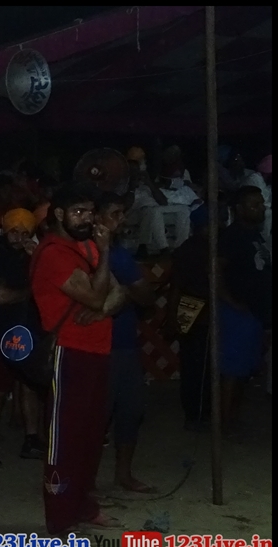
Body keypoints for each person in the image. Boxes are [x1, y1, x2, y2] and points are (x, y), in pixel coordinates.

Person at [31, 182, 125, 534]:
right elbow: (98, 295)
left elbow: (118, 293)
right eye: (78, 212)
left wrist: (102, 310)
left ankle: (83, 506)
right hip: (68, 351)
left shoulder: (84, 246)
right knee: (65, 439)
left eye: (89, 212)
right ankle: (59, 518)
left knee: (90, 435)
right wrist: (101, 300)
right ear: (59, 214)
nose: (86, 218)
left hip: (97, 349)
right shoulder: (54, 253)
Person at [0, 208, 45, 468]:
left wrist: (36, 258)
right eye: (14, 231)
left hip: (30, 329)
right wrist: (33, 291)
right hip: (5, 332)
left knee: (29, 385)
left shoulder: (29, 255)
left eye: (25, 232)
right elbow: (1, 296)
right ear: (5, 231)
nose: (19, 237)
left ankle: (31, 440)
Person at [96, 193, 156, 492]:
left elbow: (146, 297)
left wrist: (122, 292)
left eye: (122, 213)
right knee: (97, 415)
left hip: (124, 344)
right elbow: (139, 294)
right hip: (98, 346)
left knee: (130, 411)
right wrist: (127, 291)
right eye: (115, 214)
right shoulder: (90, 253)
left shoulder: (120, 254)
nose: (122, 220)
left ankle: (123, 474)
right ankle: (86, 480)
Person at [217, 186, 271, 439]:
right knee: (232, 371)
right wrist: (230, 301)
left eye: (261, 204)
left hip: (255, 313)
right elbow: (215, 270)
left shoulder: (255, 235)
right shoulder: (232, 236)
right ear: (239, 209)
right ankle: (224, 425)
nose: (260, 209)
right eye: (254, 205)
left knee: (244, 371)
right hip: (238, 313)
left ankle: (233, 419)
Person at [165, 206, 213, 429]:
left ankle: (198, 413)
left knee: (195, 365)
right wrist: (172, 318)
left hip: (191, 309)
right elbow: (176, 286)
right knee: (197, 367)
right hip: (196, 310)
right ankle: (196, 415)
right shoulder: (193, 251)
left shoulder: (191, 249)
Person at [123, 147, 191, 256]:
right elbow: (125, 206)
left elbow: (163, 202)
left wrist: (149, 183)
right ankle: (162, 248)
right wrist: (132, 186)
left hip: (155, 214)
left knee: (184, 210)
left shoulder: (146, 182)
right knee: (152, 211)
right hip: (133, 214)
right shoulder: (123, 182)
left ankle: (181, 247)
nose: (142, 164)